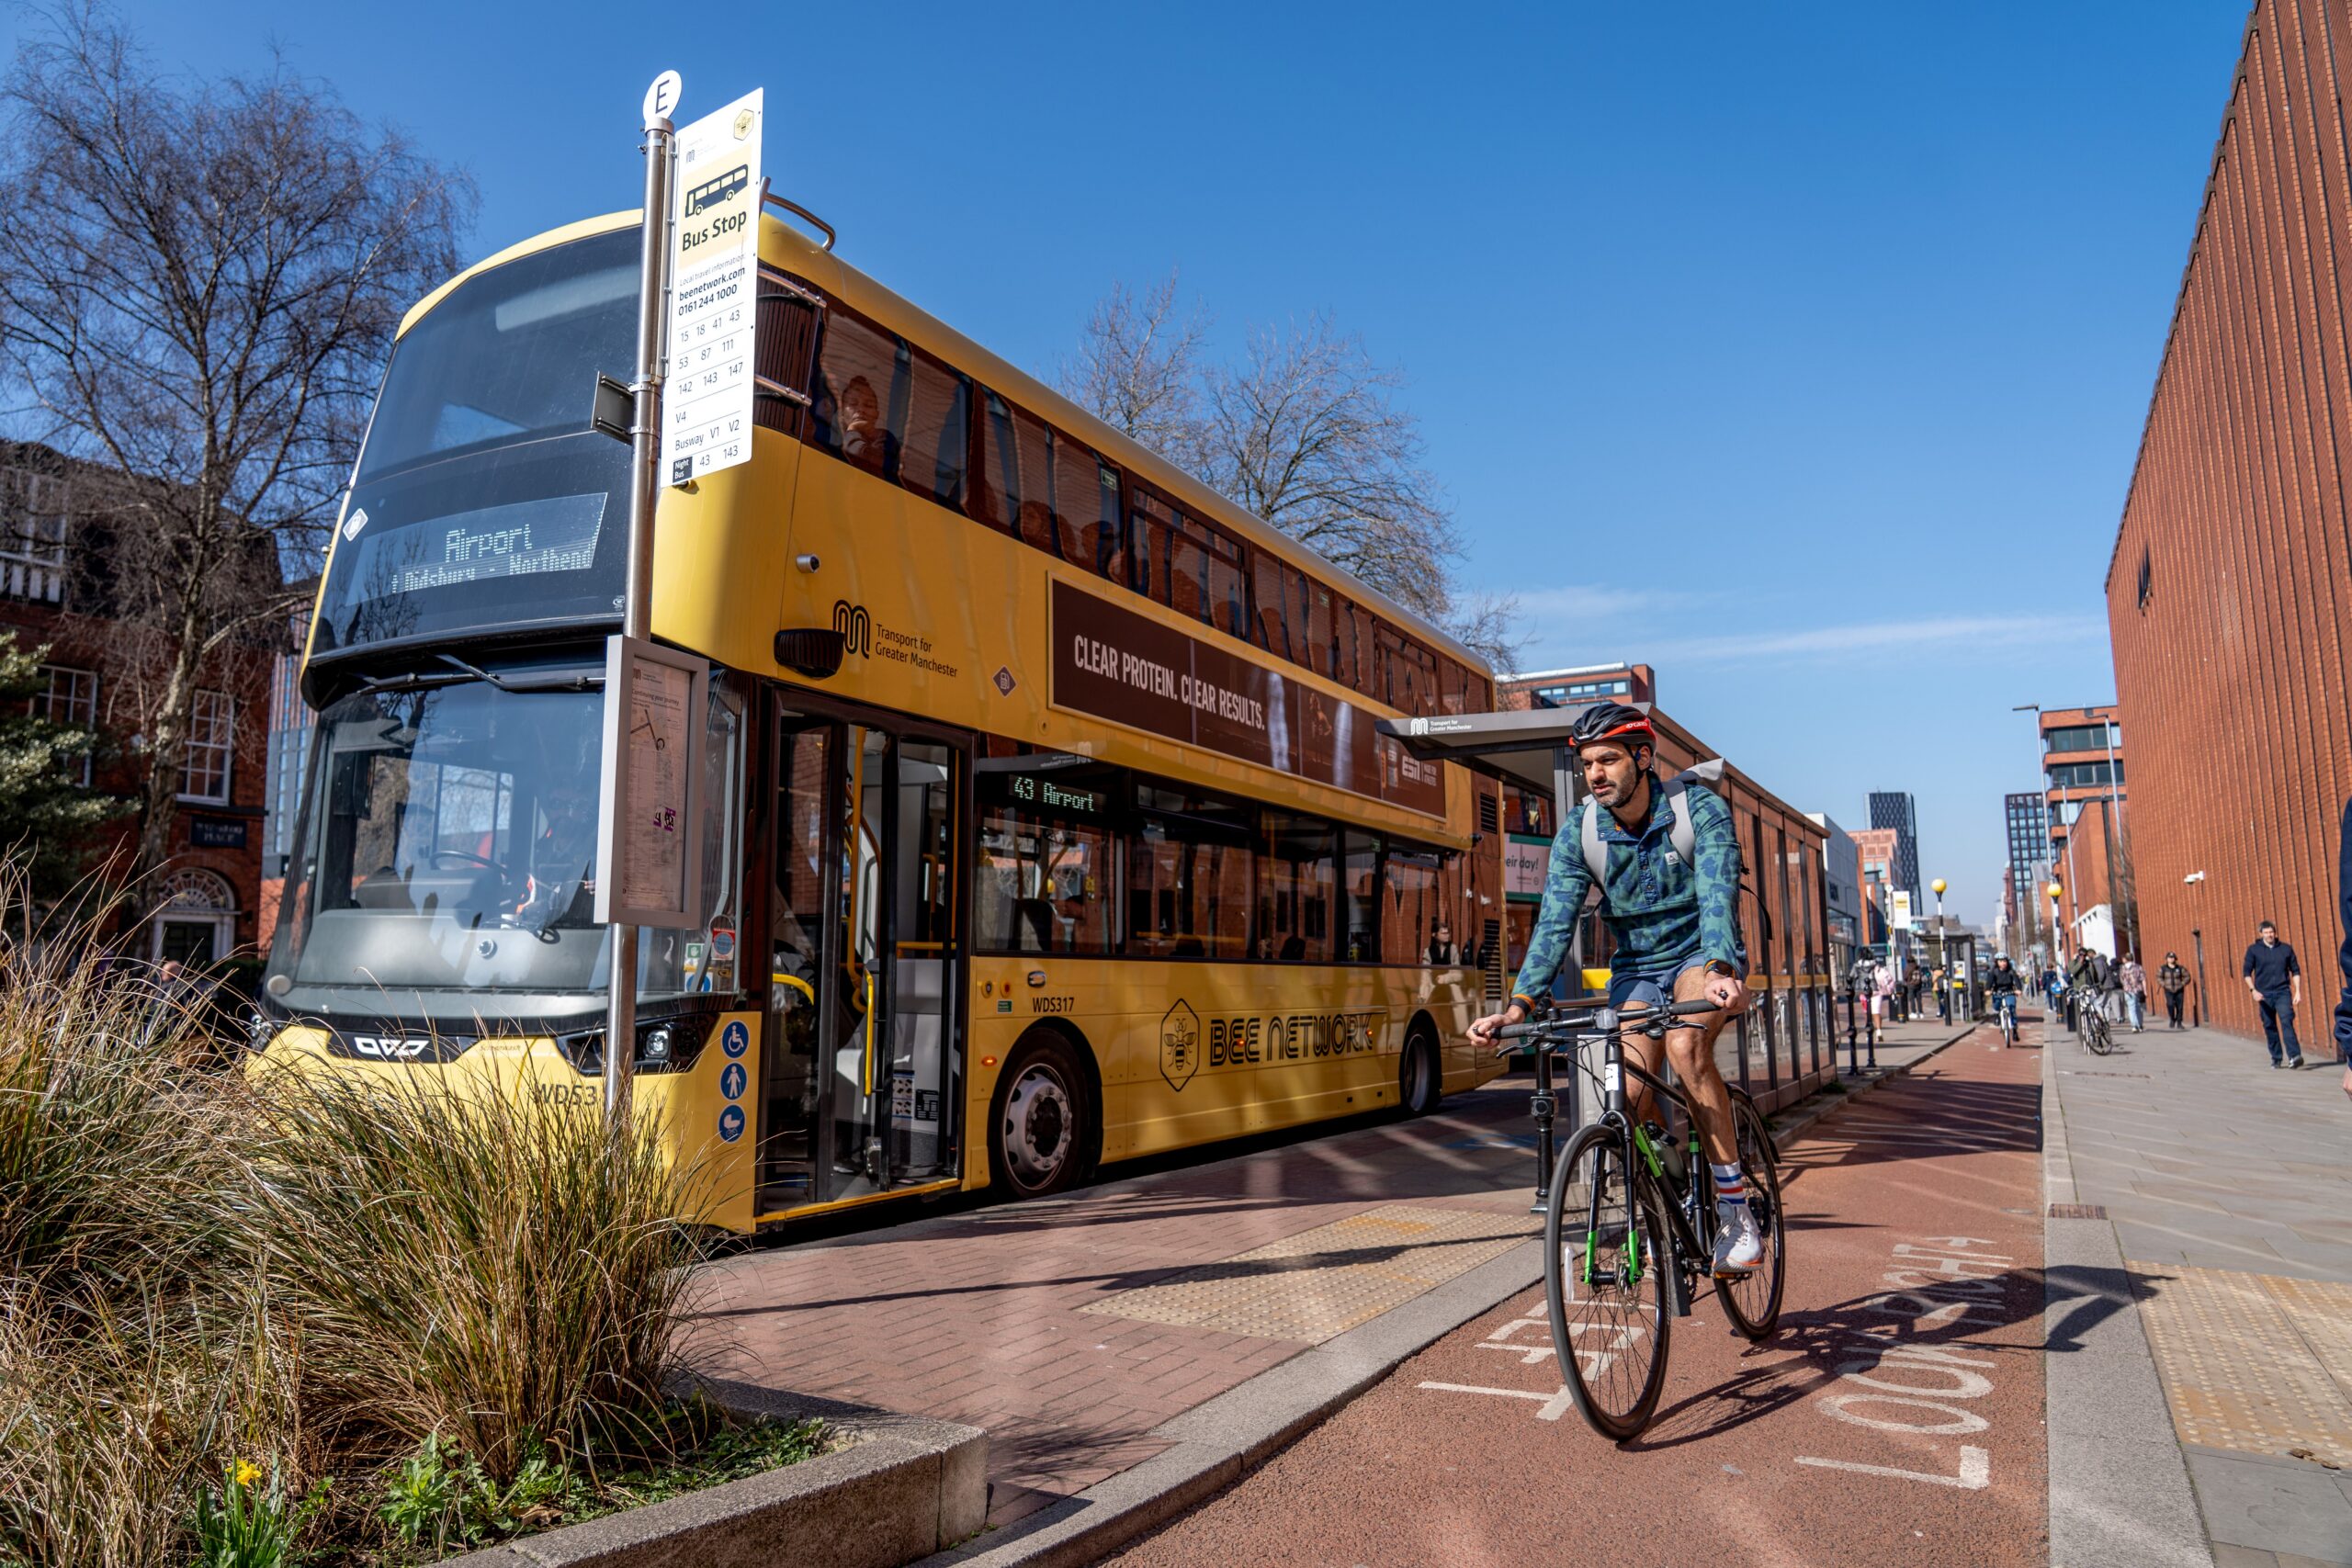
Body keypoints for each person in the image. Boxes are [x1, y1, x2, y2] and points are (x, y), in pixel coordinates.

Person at [1468, 703, 1760, 1275]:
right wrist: (1517, 1007)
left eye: (1608, 760)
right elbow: (1554, 923)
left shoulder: (1698, 808)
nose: (1595, 774)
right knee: (1623, 1093)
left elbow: (1718, 892)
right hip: (1637, 966)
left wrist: (1723, 970)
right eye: (1587, 764)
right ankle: (1668, 1194)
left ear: (1643, 759)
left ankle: (1735, 1211)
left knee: (1684, 1048)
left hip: (1701, 953)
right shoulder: (1580, 833)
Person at [2241, 920, 2305, 1069]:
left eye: (2271, 932)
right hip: (2263, 994)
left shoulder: (2285, 949)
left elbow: (2295, 970)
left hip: (2283, 992)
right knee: (2270, 1026)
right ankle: (2276, 1057)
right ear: (2261, 934)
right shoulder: (2254, 950)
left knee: (2286, 1020)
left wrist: (2298, 991)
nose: (2270, 935)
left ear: (2275, 933)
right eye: (2266, 933)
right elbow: (2246, 973)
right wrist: (2253, 991)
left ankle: (2294, 1056)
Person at [1987, 953, 2022, 1040]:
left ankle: (2014, 1030)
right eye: (2001, 961)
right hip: (1998, 992)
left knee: (2012, 1008)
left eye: (2004, 961)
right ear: (1997, 962)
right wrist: (1988, 990)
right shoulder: (1994, 972)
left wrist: (2018, 989)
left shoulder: (2011, 971)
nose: (2003, 963)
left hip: (2009, 992)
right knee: (1996, 1005)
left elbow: (2017, 981)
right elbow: (1989, 982)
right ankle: (1996, 1016)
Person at [2158, 951, 2190, 1029]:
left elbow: (2187, 976)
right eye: (2169, 957)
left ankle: (2179, 1022)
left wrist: (2182, 984)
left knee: (2180, 1006)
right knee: (2170, 1005)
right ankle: (2172, 1019)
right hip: (2168, 990)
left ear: (2175, 959)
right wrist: (2164, 984)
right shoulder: (2163, 968)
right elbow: (2159, 977)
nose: (2171, 959)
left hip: (2179, 990)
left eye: (2172, 957)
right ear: (2167, 959)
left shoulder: (2180, 968)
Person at [2119, 953, 2147, 1032]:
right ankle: (2140, 1025)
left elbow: (2121, 979)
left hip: (2127, 990)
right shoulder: (2138, 967)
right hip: (2138, 989)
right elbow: (2143, 979)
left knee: (2131, 1008)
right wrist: (2145, 991)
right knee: (2139, 1008)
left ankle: (2134, 1026)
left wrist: (2125, 986)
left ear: (2125, 959)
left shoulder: (2123, 968)